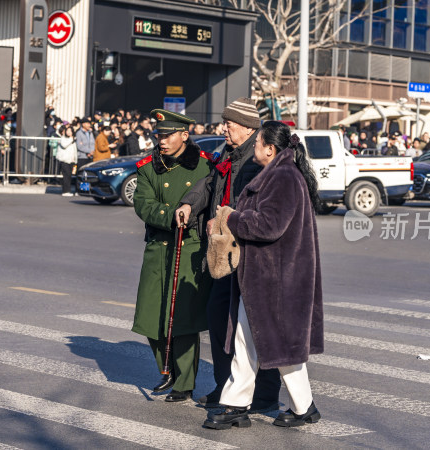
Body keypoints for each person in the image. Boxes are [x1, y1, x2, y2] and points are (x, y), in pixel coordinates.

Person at [203, 121, 323, 430]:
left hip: (276, 278)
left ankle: (245, 405)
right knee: (262, 343)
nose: (254, 147)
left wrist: (231, 217)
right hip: (269, 276)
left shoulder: (282, 177)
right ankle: (287, 406)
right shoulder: (279, 174)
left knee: (271, 345)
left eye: (258, 143)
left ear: (270, 149)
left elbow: (270, 225)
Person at [175, 97, 282, 412]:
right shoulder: (230, 154)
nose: (225, 129)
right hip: (226, 253)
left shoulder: (257, 159)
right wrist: (187, 204)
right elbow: (209, 183)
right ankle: (227, 386)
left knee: (252, 324)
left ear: (248, 128)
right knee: (221, 318)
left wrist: (222, 218)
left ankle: (262, 395)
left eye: (230, 124)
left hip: (249, 254)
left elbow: (253, 204)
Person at [133, 109, 213, 402]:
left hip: (190, 245)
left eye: (167, 135)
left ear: (184, 135)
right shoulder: (147, 167)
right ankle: (166, 370)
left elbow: (209, 200)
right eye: (159, 135)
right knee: (151, 315)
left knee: (182, 318)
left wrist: (191, 216)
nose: (162, 141)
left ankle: (184, 382)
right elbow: (143, 204)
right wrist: (170, 215)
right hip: (159, 246)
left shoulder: (204, 166)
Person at [57, 125, 77, 196]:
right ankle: (65, 191)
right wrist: (71, 139)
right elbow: (64, 145)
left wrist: (75, 159)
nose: (69, 132)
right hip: (64, 160)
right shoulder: (63, 138)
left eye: (71, 131)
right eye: (68, 131)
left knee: (69, 176)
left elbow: (74, 150)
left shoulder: (73, 139)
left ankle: (68, 190)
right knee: (66, 175)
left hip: (71, 160)